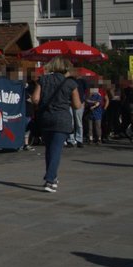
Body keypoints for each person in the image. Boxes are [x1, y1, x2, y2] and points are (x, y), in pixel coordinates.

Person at [31, 57, 83, 193]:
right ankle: (50, 179)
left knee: (49, 150)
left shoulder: (43, 80)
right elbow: (77, 105)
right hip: (62, 119)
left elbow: (35, 99)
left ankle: (52, 176)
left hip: (46, 118)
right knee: (56, 150)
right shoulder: (70, 83)